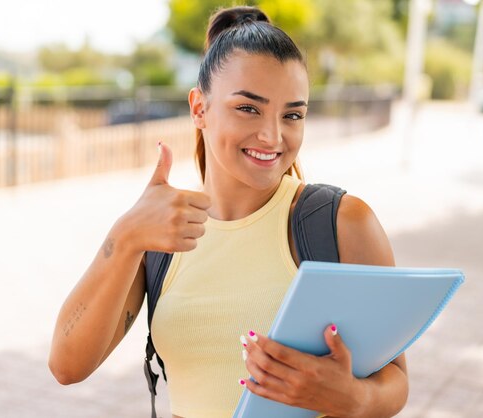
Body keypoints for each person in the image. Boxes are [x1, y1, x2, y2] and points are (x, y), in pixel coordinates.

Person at [49, 6, 408, 418]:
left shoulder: (342, 223)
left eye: (292, 114)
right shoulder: (162, 234)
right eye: (248, 108)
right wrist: (125, 235)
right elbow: (66, 365)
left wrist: (356, 399)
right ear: (199, 108)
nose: (273, 136)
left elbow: (395, 379)